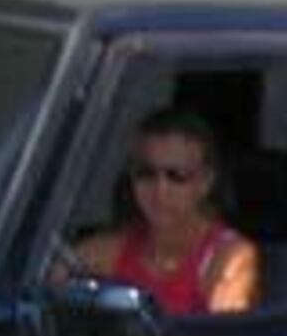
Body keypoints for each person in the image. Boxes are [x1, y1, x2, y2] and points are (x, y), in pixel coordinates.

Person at [74, 106, 258, 317]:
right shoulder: (103, 253)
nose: (160, 190)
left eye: (177, 176)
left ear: (205, 182)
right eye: (146, 174)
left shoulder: (228, 258)